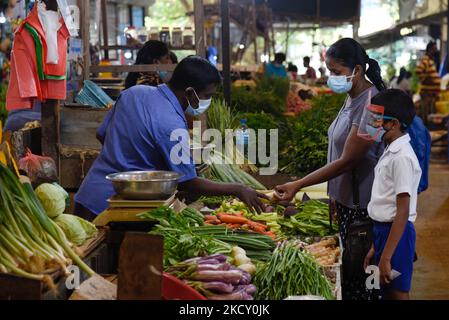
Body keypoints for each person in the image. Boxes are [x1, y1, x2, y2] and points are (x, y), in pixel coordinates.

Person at [75, 56, 267, 220]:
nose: (208, 101)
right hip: (117, 210)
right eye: (207, 95)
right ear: (190, 92)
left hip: (89, 195)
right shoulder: (171, 124)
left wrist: (132, 158)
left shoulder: (134, 93)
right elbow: (188, 182)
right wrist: (238, 189)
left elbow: (102, 134)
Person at [274, 38, 386, 300]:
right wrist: (334, 194)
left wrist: (298, 184)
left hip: (364, 210)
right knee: (351, 279)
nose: (330, 78)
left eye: (336, 72)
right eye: (329, 71)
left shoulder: (375, 106)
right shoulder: (352, 97)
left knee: (364, 284)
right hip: (348, 204)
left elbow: (349, 159)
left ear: (357, 70)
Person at [363, 89, 421, 300]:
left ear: (394, 124)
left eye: (377, 119)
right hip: (383, 233)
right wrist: (375, 247)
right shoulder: (390, 149)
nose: (372, 124)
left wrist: (386, 256)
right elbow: (384, 204)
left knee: (397, 292)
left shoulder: (402, 158)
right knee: (385, 290)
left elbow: (402, 212)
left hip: (397, 233)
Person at [415, 41, 441, 125]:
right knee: (426, 114)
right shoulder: (426, 59)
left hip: (431, 94)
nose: (436, 50)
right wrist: (426, 79)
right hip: (427, 94)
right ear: (430, 49)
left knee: (430, 114)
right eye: (435, 48)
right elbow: (418, 71)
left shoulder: (430, 60)